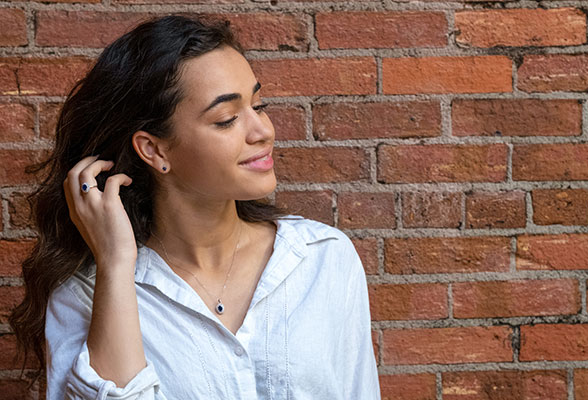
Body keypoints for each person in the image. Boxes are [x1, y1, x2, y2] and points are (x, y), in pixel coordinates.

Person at [10, 15, 380, 399]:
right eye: (226, 119)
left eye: (259, 104)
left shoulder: (323, 259)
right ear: (154, 150)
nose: (262, 131)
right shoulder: (86, 294)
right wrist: (116, 264)